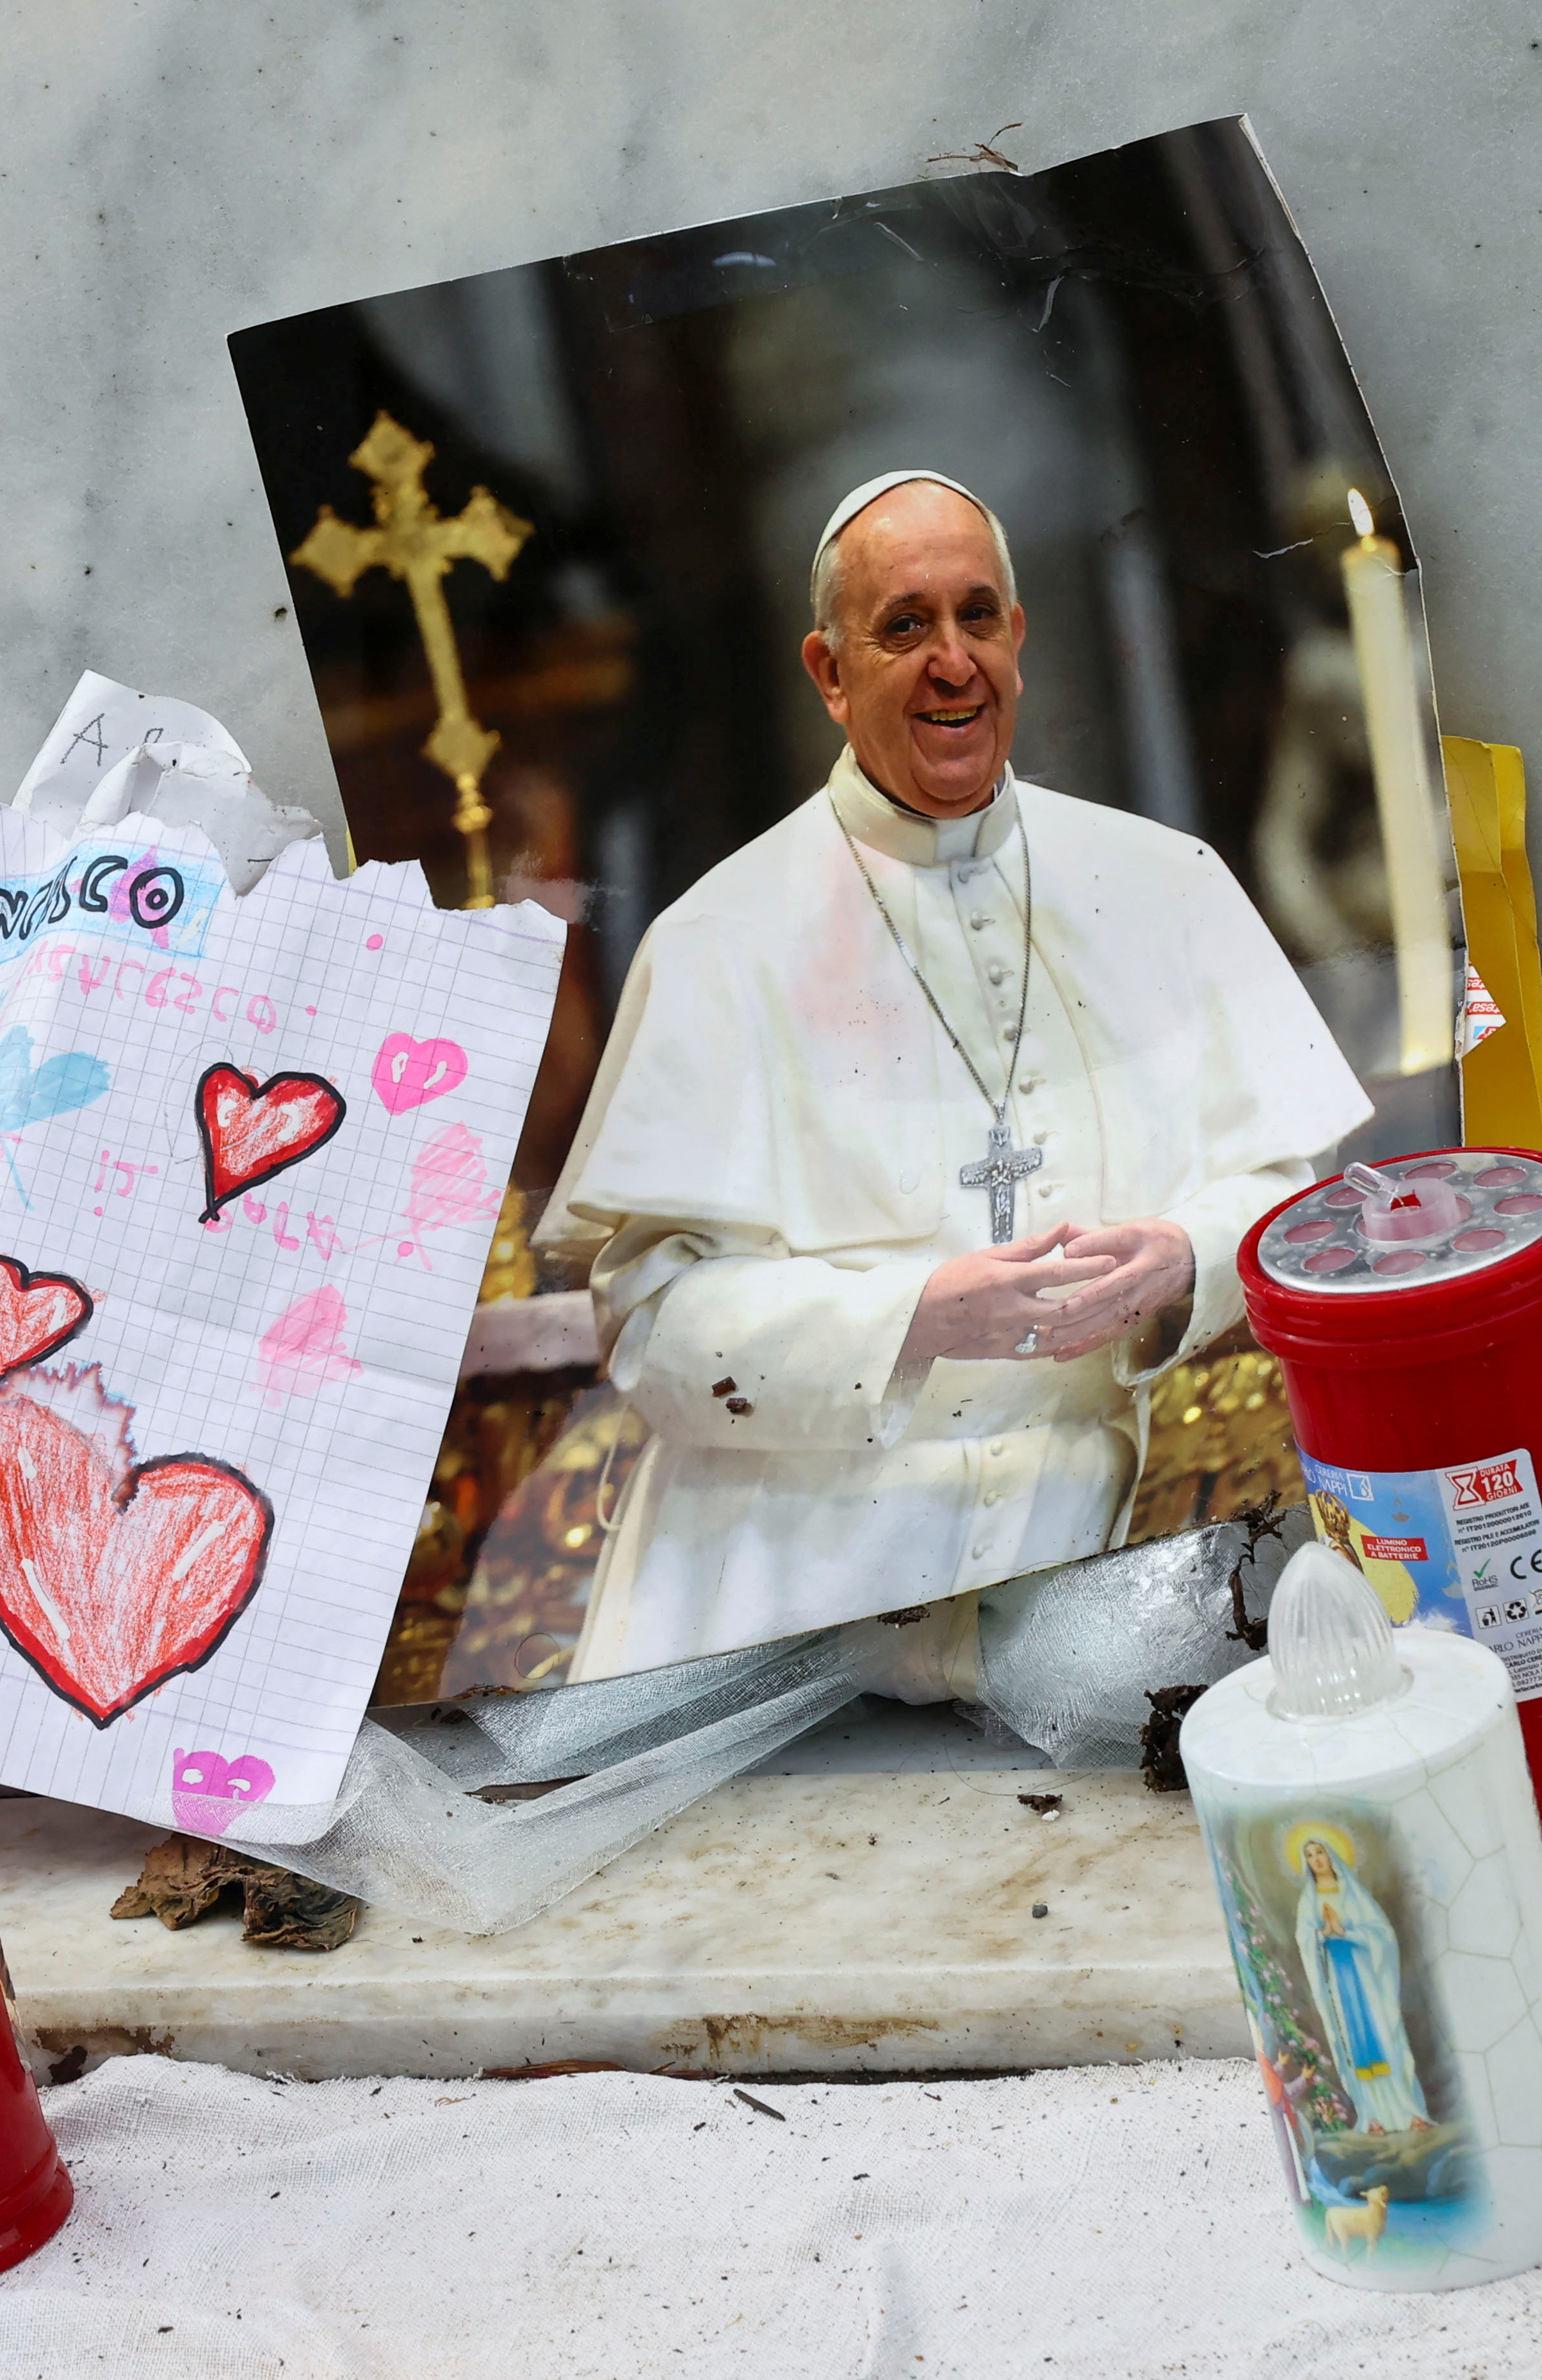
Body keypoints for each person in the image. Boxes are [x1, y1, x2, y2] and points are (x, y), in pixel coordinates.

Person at [544, 470, 1372, 1678]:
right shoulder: (718, 940)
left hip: (1096, 1535)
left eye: (977, 616)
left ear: (1018, 640)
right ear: (828, 672)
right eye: (905, 626)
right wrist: (917, 1316)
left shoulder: (1165, 880)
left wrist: (1180, 1258)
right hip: (789, 1568)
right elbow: (654, 1325)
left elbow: (1295, 1184)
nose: (952, 662)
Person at [1293, 1839, 1431, 2135]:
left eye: (1320, 1852)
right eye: (1309, 1855)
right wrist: (1323, 1934)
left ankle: (1409, 2112)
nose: (1316, 1859)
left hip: (1368, 1979)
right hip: (1340, 1984)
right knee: (1354, 2048)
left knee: (1387, 2038)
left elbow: (1383, 1934)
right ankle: (1373, 2117)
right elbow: (1305, 1938)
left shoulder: (1353, 1894)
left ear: (1331, 1856)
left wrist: (1347, 1933)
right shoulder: (1310, 1899)